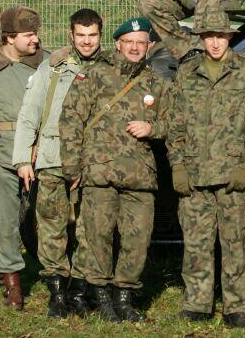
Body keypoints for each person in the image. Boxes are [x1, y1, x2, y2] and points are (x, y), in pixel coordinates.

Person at [60, 17, 170, 323]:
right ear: (118, 44)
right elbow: (71, 119)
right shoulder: (95, 75)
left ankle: (124, 298)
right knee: (98, 238)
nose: (134, 48)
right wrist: (72, 167)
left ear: (149, 46)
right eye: (128, 42)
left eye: (140, 43)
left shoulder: (156, 83)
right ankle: (102, 297)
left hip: (139, 175)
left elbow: (175, 123)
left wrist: (153, 128)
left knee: (138, 240)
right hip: (100, 173)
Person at [166, 10, 245, 328]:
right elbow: (175, 123)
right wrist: (177, 165)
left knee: (234, 244)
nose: (215, 42)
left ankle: (236, 308)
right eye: (209, 36)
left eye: (221, 36)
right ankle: (197, 304)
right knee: (196, 243)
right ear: (201, 38)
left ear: (230, 37)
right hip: (195, 174)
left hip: (232, 177)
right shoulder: (187, 72)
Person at [12, 8, 105, 318]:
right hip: (53, 158)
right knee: (51, 226)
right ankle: (57, 292)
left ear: (101, 36)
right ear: (71, 35)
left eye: (92, 35)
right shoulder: (52, 69)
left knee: (90, 229)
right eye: (81, 35)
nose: (87, 41)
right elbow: (29, 114)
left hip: (94, 161)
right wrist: (23, 158)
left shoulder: (110, 69)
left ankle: (80, 289)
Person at [0, 6, 47, 310]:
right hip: (2, 153)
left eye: (36, 33)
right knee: (6, 220)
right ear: (9, 38)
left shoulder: (47, 65)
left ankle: (60, 273)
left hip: (40, 152)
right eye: (28, 34)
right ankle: (12, 281)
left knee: (49, 217)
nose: (36, 39)